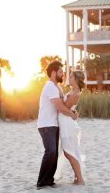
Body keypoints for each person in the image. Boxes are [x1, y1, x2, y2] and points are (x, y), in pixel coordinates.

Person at [36, 61, 78, 190]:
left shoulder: (56, 87)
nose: (63, 74)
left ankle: (49, 180)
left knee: (53, 154)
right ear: (54, 72)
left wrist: (73, 110)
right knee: (51, 151)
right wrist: (71, 114)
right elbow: (59, 107)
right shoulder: (49, 86)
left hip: (54, 124)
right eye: (61, 72)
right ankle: (41, 182)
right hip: (46, 125)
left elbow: (64, 104)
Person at [58, 70, 86, 185]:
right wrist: (73, 111)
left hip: (67, 124)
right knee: (70, 151)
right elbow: (69, 108)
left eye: (71, 77)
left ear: (76, 79)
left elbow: (63, 109)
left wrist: (58, 99)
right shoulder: (73, 91)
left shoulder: (75, 94)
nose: (68, 78)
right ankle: (77, 178)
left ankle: (80, 179)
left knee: (69, 152)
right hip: (66, 122)